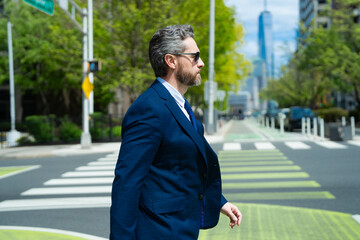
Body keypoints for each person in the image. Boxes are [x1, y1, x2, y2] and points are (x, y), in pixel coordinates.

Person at [110, 24, 242, 240]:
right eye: (195, 56)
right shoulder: (149, 109)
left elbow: (183, 168)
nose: (201, 63)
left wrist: (220, 202)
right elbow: (127, 183)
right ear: (171, 61)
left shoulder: (179, 104)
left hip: (181, 228)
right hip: (159, 231)